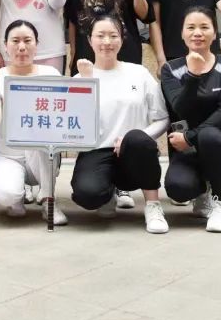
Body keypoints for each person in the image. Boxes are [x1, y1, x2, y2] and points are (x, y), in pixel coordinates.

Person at [64, 0, 153, 209]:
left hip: (125, 54)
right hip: (89, 57)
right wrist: (74, 55)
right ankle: (100, 175)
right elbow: (73, 20)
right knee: (95, 114)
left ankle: (124, 182)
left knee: (126, 113)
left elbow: (144, 14)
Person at [69, 15, 169, 233]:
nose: (107, 41)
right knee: (88, 195)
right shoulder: (80, 78)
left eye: (113, 36)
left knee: (138, 140)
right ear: (90, 40)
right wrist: (86, 83)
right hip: (96, 152)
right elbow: (74, 126)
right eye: (100, 36)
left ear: (122, 40)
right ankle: (107, 193)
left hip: (133, 152)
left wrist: (136, 138)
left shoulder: (138, 73)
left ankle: (153, 206)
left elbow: (162, 117)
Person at [160, 6, 221, 233]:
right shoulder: (171, 69)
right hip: (188, 153)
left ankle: (220, 204)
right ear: (182, 33)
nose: (197, 33)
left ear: (214, 32)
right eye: (191, 27)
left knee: (209, 136)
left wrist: (190, 137)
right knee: (178, 188)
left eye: (204, 27)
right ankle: (203, 192)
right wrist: (193, 75)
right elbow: (180, 109)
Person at [0, 20, 67, 225]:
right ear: (5, 45)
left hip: (41, 155)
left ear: (36, 44)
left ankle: (49, 199)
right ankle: (17, 196)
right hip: (8, 155)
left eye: (27, 41)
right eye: (15, 41)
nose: (21, 47)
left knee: (44, 136)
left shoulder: (51, 74)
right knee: (6, 195)